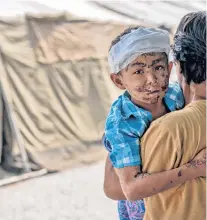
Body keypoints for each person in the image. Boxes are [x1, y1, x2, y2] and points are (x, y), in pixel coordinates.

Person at [104, 11, 206, 220]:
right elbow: (129, 189)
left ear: (171, 69)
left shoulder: (175, 95)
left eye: (158, 68)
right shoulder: (122, 123)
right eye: (138, 71)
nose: (151, 79)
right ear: (119, 81)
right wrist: (193, 169)